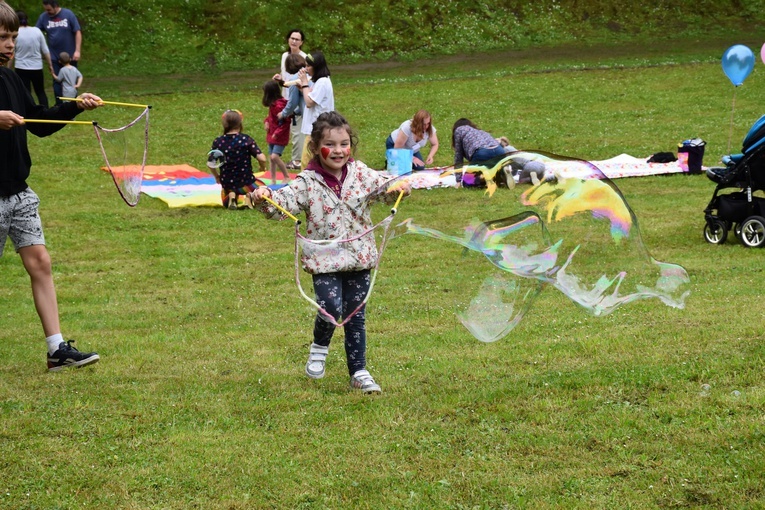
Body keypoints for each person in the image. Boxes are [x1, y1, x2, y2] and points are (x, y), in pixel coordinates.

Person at [250, 111, 410, 394]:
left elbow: (383, 187)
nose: (338, 150)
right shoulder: (308, 182)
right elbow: (281, 204)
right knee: (330, 307)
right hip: (323, 260)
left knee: (355, 316)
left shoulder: (360, 173)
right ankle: (319, 346)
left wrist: (397, 187)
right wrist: (263, 198)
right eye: (331, 144)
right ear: (315, 147)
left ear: (351, 145)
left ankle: (359, 372)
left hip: (359, 257)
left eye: (344, 143)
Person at [0, 2, 102, 371]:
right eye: (2, 37)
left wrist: (75, 105)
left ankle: (56, 348)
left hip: (19, 193)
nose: (10, 45)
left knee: (40, 261)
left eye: (12, 37)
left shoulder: (10, 79)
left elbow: (38, 122)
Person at [452, 118, 546, 185]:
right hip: (499, 150)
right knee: (492, 170)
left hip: (482, 152)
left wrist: (458, 180)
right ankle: (501, 175)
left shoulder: (459, 130)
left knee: (467, 181)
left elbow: (458, 156)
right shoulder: (481, 132)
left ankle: (485, 178)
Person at [209, 109, 267, 210]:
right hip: (246, 180)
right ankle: (249, 196)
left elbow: (210, 163)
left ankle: (231, 195)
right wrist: (262, 167)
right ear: (239, 123)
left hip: (227, 181)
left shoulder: (218, 141)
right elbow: (262, 158)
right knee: (262, 186)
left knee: (226, 192)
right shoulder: (246, 140)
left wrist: (217, 176)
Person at [35, 0, 80, 105]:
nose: (47, 12)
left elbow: (77, 31)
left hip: (70, 56)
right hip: (54, 56)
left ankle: (74, 104)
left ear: (55, 6)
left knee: (72, 80)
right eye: (45, 9)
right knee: (57, 81)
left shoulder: (68, 14)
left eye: (49, 9)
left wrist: (77, 50)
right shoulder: (43, 17)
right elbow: (36, 32)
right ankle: (59, 104)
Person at [297, 51, 333, 170]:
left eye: (308, 66)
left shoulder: (322, 82)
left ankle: (305, 186)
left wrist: (304, 84)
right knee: (314, 162)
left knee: (306, 163)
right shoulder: (320, 81)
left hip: (316, 128)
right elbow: (312, 97)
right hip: (317, 127)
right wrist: (303, 88)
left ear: (316, 67)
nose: (306, 69)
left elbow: (309, 102)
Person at [277, 29, 306, 169]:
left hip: (298, 100)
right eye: (292, 38)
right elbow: (285, 78)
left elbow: (299, 80)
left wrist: (285, 112)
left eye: (297, 39)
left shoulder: (304, 57)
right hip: (286, 96)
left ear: (301, 42)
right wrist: (280, 80)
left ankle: (297, 160)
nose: (294, 41)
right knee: (288, 129)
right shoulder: (284, 56)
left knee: (297, 129)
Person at [12, 9, 52, 106]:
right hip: (37, 67)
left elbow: (12, 52)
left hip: (21, 67)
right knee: (41, 92)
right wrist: (50, 65)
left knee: (26, 93)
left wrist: (8, 68)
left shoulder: (16, 33)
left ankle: (28, 112)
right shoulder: (37, 31)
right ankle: (45, 111)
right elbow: (45, 50)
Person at [262, 79, 291, 184]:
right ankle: (273, 179)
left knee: (275, 156)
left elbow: (286, 121)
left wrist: (277, 133)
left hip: (279, 136)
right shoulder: (272, 104)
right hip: (272, 134)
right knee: (271, 158)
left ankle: (287, 176)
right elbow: (271, 117)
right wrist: (266, 122)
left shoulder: (279, 105)